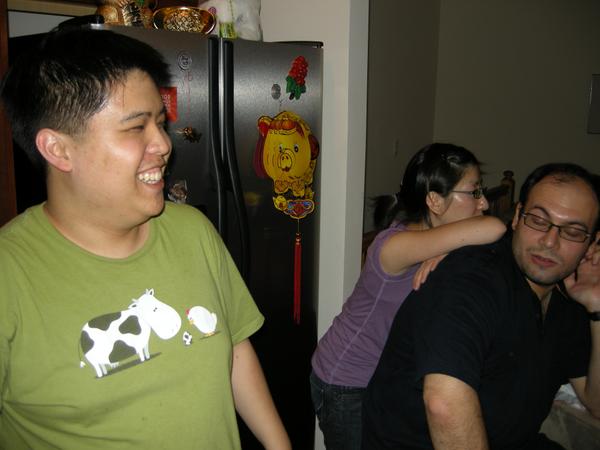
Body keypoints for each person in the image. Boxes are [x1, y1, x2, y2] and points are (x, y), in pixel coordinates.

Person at [0, 27, 290, 449]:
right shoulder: (10, 274)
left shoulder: (193, 231)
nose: (163, 144)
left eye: (160, 122)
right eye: (136, 127)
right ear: (58, 149)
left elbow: (235, 349)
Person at [362, 163, 600, 450]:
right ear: (517, 217)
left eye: (573, 232)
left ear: (592, 243)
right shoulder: (470, 280)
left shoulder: (568, 295)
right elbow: (443, 405)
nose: (550, 241)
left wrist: (596, 307)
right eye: (538, 220)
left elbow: (595, 401)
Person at [310, 143, 507, 449]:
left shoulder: (431, 241)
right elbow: (495, 227)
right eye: (474, 192)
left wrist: (449, 250)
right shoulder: (395, 245)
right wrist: (452, 246)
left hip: (380, 378)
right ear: (434, 201)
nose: (483, 203)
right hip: (347, 381)